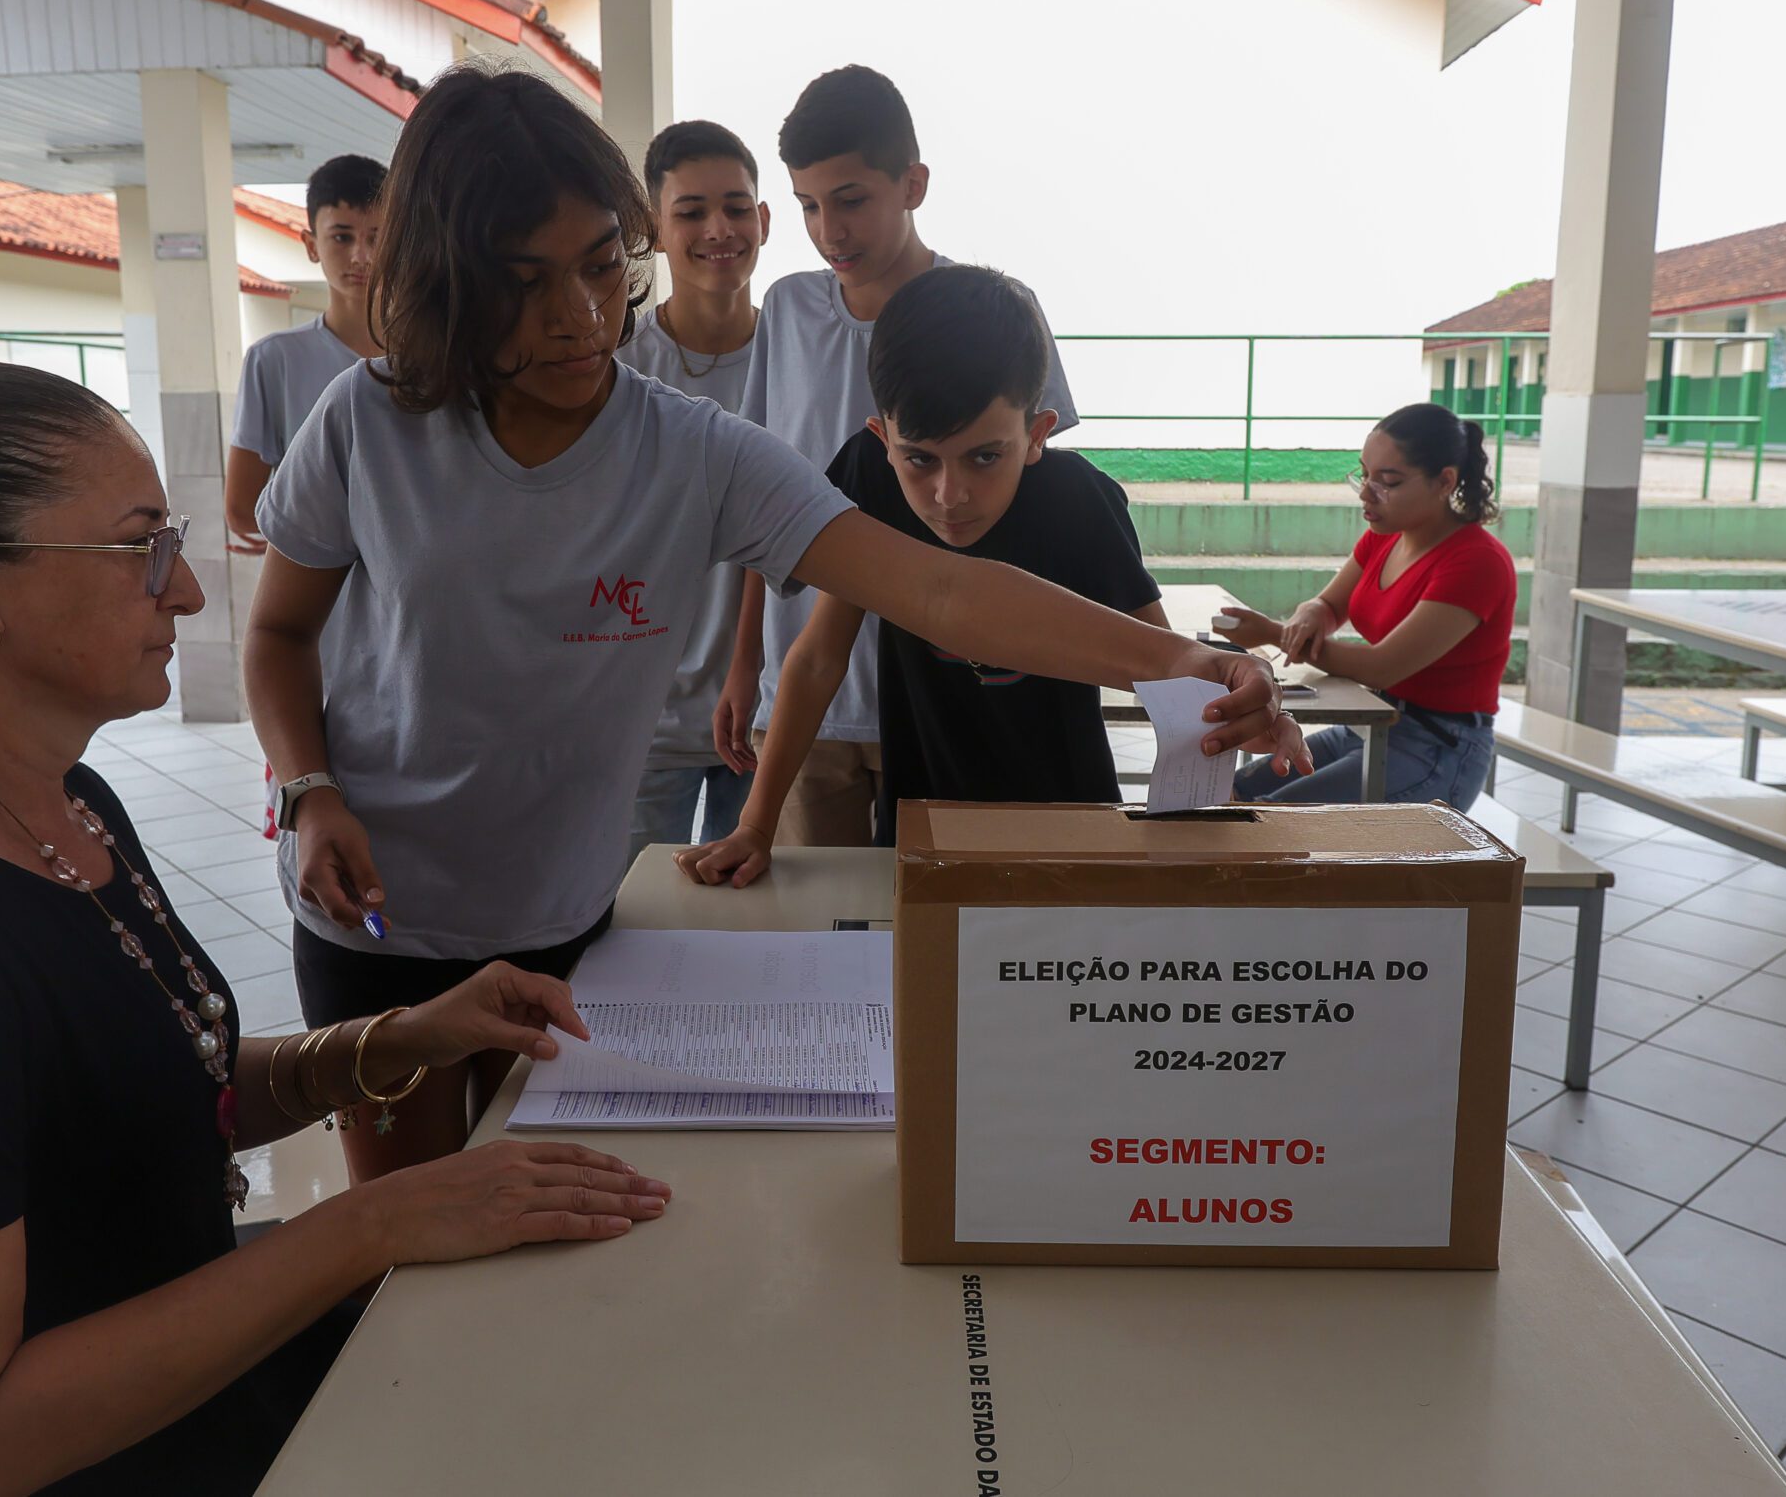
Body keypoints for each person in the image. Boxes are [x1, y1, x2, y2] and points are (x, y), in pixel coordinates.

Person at [242, 67, 1295, 1189]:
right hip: (377, 917)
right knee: (402, 1229)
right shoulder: (367, 420)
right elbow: (278, 638)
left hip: (570, 917)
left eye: (602, 266)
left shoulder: (688, 448)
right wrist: (309, 792)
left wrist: (1181, 658)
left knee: (546, 1237)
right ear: (448, 281)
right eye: (522, 284)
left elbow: (937, 589)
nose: (578, 318)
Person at [0, 361, 670, 1497]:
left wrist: (392, 1041)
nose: (184, 590)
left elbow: (124, 1094)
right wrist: (369, 1224)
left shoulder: (58, 802)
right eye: (139, 546)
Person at [681, 265, 1309, 886]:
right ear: (882, 435)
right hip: (923, 827)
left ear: (1038, 433)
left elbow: (1168, 670)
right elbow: (817, 658)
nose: (949, 494)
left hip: (1071, 826)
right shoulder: (869, 478)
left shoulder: (1081, 501)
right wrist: (756, 826)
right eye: (919, 460)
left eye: (985, 456)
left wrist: (1239, 705)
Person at [727, 65, 1082, 848]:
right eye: (808, 207)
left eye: (851, 200)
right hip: (808, 692)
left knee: (931, 933)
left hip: (943, 690)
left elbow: (1041, 501)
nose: (830, 231)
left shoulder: (996, 313)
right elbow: (763, 506)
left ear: (913, 183)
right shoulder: (785, 311)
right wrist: (744, 658)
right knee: (813, 930)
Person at [1215, 402, 1516, 811]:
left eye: (1387, 481)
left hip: (1438, 746)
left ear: (1445, 481)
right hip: (1372, 722)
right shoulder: (1385, 536)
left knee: (1265, 817)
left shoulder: (1476, 562)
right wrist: (1311, 611)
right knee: (1227, 791)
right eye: (1364, 473)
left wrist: (1273, 633)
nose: (1365, 492)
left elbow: (1383, 667)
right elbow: (1330, 604)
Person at [618, 119, 771, 863]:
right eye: (692, 211)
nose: (719, 229)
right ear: (653, 229)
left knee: (752, 936)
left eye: (737, 207)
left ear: (764, 220)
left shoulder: (793, 358)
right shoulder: (617, 366)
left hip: (769, 715)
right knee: (635, 934)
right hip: (644, 719)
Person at [226, 153, 386, 557]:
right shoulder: (274, 359)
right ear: (311, 245)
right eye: (342, 237)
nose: (361, 257)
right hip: (322, 608)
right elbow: (243, 510)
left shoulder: (437, 354)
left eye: (377, 237)